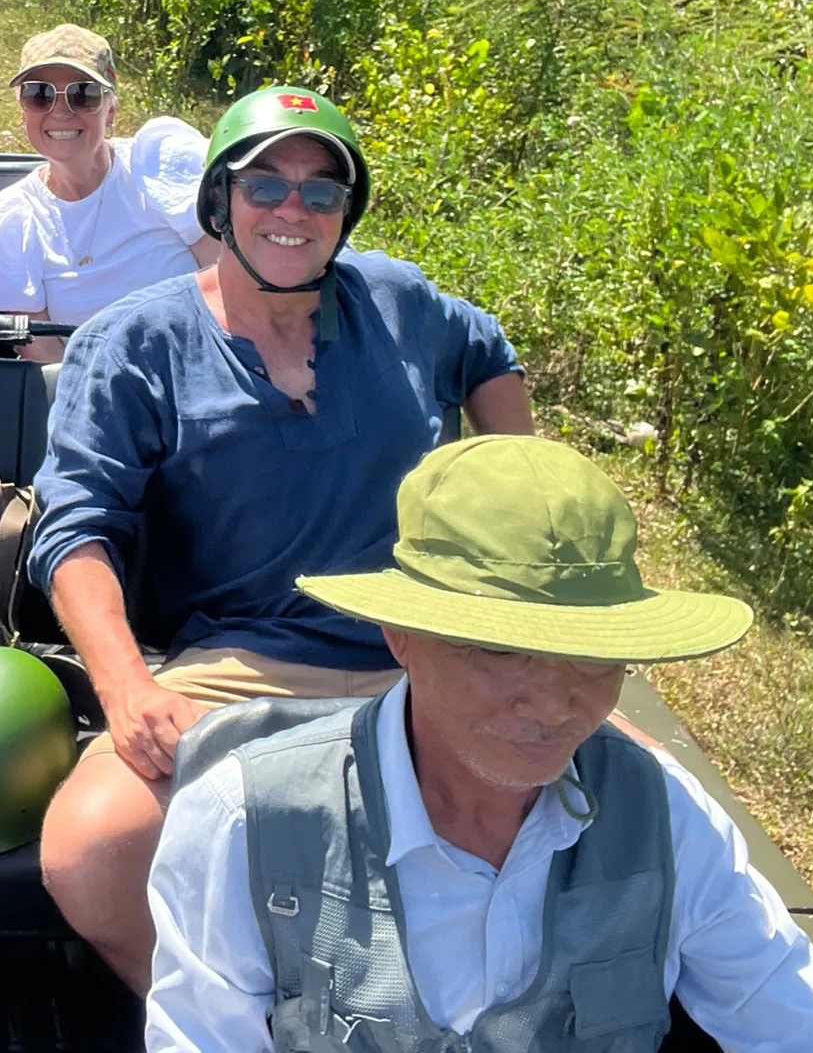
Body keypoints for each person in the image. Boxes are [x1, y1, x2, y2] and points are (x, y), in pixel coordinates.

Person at [30, 85, 536, 992]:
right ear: (219, 201)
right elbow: (74, 529)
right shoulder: (134, 343)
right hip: (243, 663)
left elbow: (486, 352)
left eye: (320, 191)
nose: (291, 210)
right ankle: (244, 1020)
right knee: (92, 847)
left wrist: (513, 501)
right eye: (264, 185)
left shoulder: (395, 298)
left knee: (628, 788)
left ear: (347, 212)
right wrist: (125, 686)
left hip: (421, 651)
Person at [147, 435, 813, 1052]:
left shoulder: (662, 818)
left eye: (594, 656)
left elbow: (801, 1026)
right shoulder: (248, 821)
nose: (552, 700)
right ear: (401, 635)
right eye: (498, 651)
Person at [0, 25, 218, 362]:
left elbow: (226, 281)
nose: (61, 111)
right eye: (39, 94)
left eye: (83, 93)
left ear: (110, 109)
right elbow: (45, 354)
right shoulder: (14, 216)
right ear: (23, 110)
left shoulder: (156, 165)